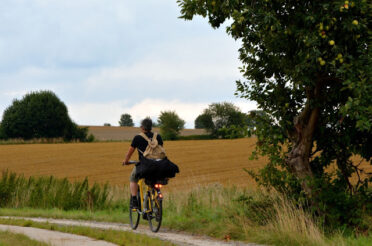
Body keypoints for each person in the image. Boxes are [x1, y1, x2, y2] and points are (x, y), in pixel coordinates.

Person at [123, 118, 163, 208]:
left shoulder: (138, 138)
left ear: (142, 127)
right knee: (155, 179)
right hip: (158, 165)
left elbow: (130, 152)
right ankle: (157, 193)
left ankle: (134, 200)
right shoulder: (158, 137)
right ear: (151, 127)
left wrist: (126, 161)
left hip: (144, 165)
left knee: (133, 178)